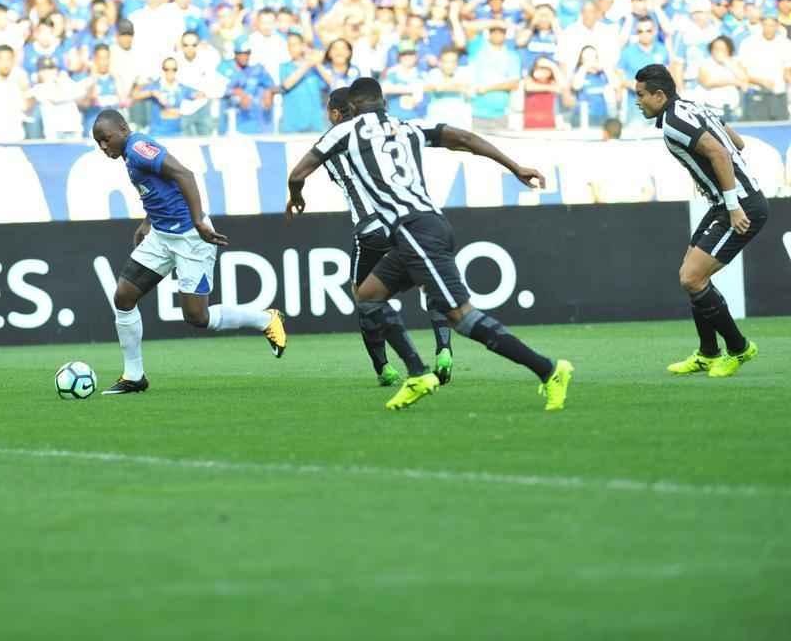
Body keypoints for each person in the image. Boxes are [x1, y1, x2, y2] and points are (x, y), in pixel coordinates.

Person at [286, 77, 574, 412]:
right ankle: (418, 374)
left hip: (413, 230)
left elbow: (297, 174)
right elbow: (463, 138)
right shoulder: (409, 126)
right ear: (383, 102)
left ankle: (549, 370)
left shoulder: (343, 130)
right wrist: (514, 166)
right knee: (367, 296)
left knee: (463, 318)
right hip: (423, 226)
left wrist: (296, 197)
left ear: (350, 107)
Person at [90, 108, 288, 395]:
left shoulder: (138, 148)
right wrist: (148, 221)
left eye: (106, 139)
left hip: (189, 236)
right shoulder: (129, 156)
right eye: (98, 143)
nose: (103, 147)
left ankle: (266, 319)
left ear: (122, 128)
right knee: (123, 296)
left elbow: (183, 174)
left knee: (198, 317)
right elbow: (161, 188)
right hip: (161, 234)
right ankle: (134, 376)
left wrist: (198, 220)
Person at [288, 87, 451, 389]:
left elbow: (299, 175)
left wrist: (295, 196)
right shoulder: (384, 134)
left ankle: (385, 368)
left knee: (363, 298)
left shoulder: (332, 142)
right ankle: (443, 349)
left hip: (370, 230)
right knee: (431, 282)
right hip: (406, 220)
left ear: (336, 113)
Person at [633, 63, 767, 379]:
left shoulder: (674, 123)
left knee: (691, 278)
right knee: (692, 276)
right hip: (726, 202)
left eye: (640, 95)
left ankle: (739, 348)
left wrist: (733, 205)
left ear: (659, 95)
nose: (637, 101)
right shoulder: (691, 106)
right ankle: (708, 353)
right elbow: (737, 142)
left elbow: (720, 154)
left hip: (740, 205)